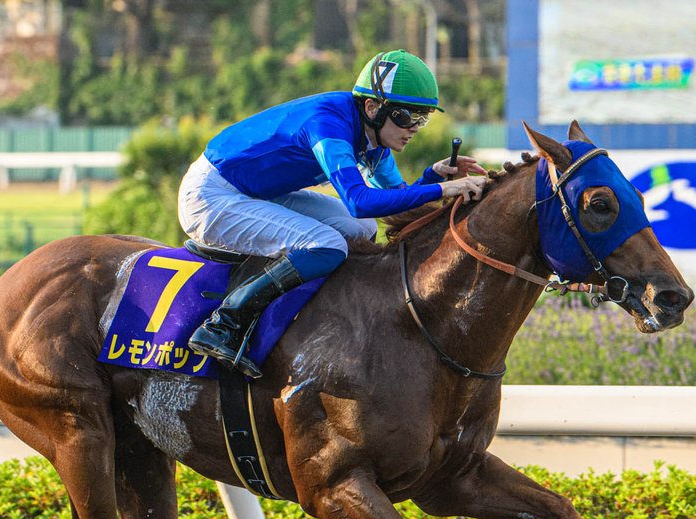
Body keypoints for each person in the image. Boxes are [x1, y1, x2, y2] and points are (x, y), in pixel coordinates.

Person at [178, 49, 489, 379]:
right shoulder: (327, 124)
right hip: (211, 196)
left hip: (257, 192)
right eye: (404, 116)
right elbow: (359, 199)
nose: (413, 128)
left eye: (421, 118)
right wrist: (444, 191)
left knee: (360, 229)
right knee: (328, 244)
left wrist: (433, 176)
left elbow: (397, 202)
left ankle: (325, 313)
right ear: (372, 107)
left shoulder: (375, 140)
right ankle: (225, 323)